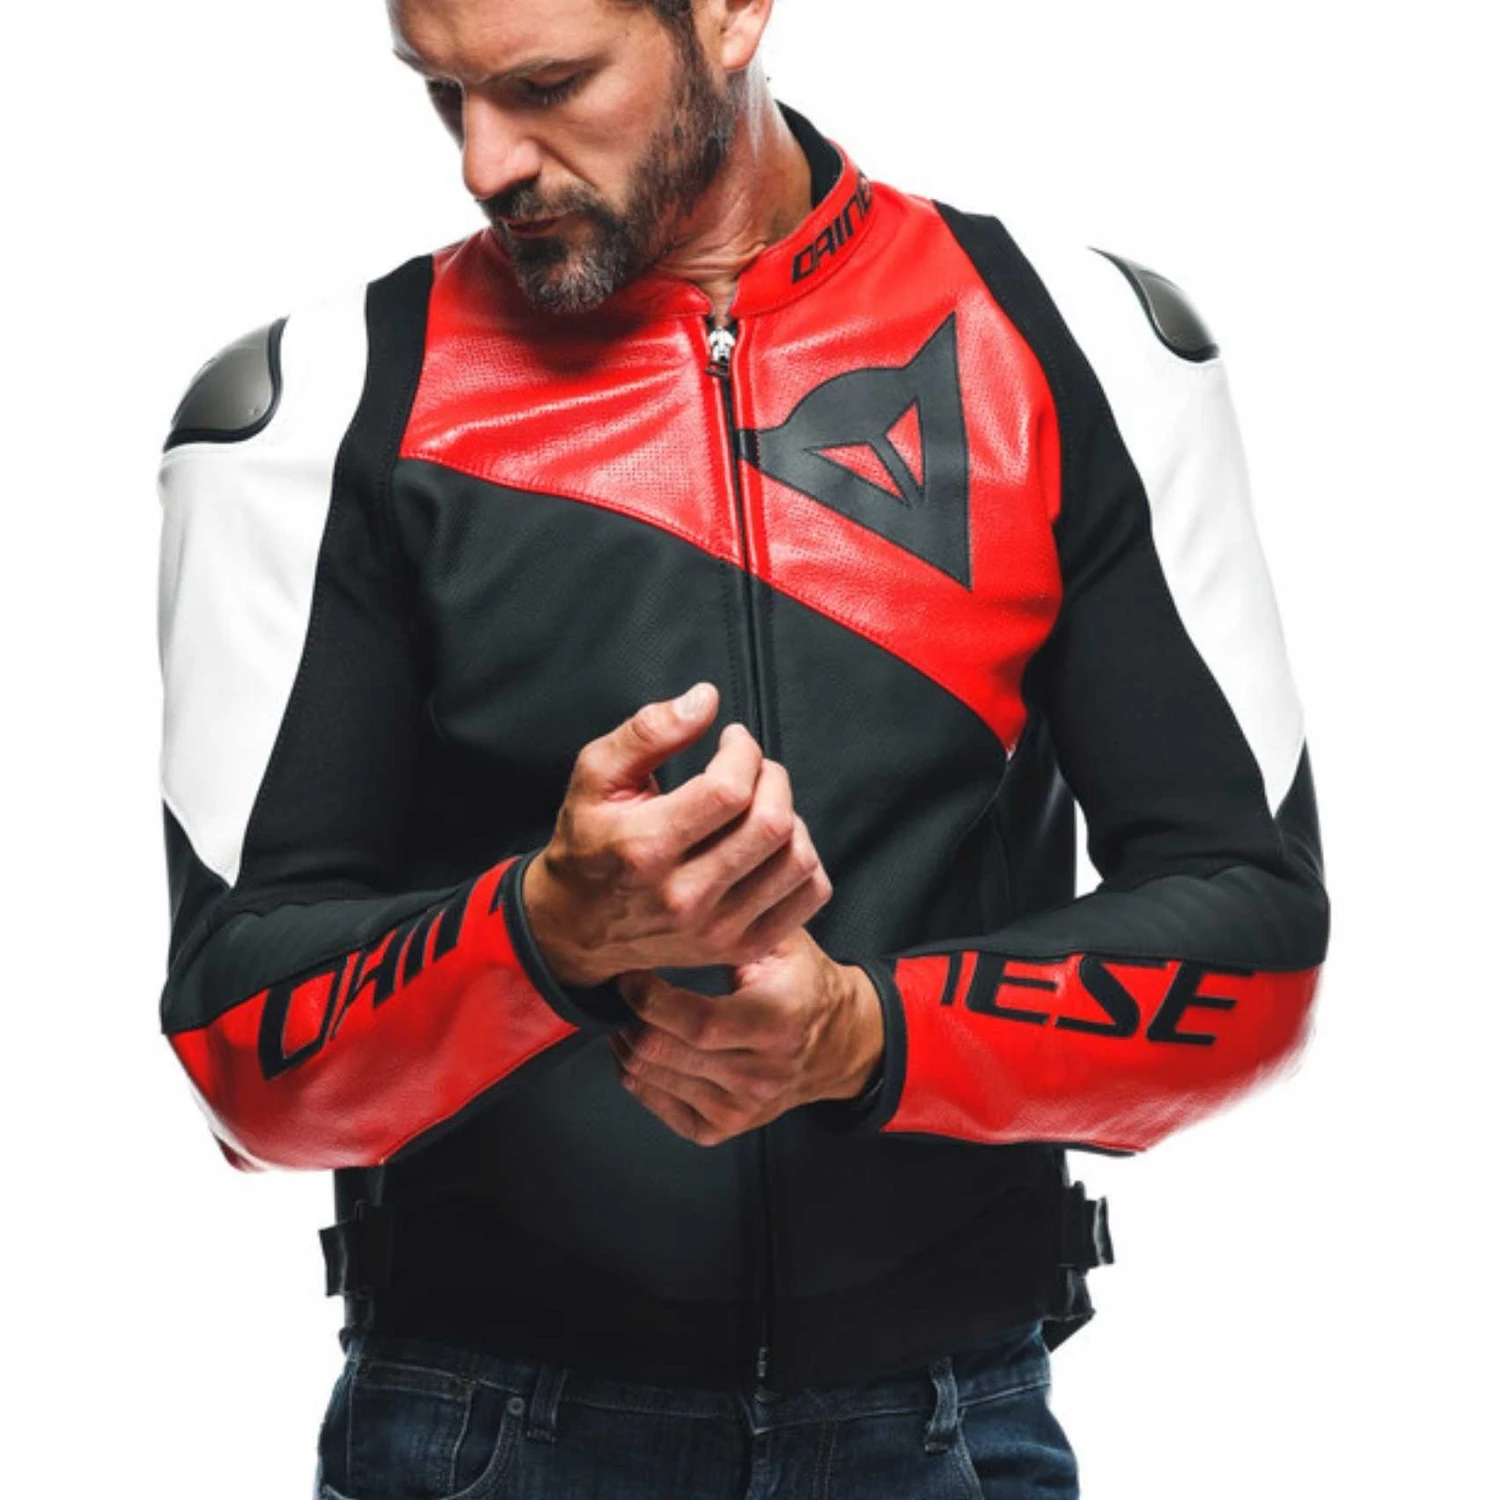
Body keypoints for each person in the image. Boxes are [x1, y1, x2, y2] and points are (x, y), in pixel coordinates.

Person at [152, 0, 1330, 1494]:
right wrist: (545, 934)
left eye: (546, 83)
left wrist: (865, 1037)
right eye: (444, 93)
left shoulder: (1074, 341)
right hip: (484, 1429)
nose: (484, 162)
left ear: (726, 14)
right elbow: (241, 1053)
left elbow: (1255, 949)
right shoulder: (312, 410)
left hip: (951, 1421)